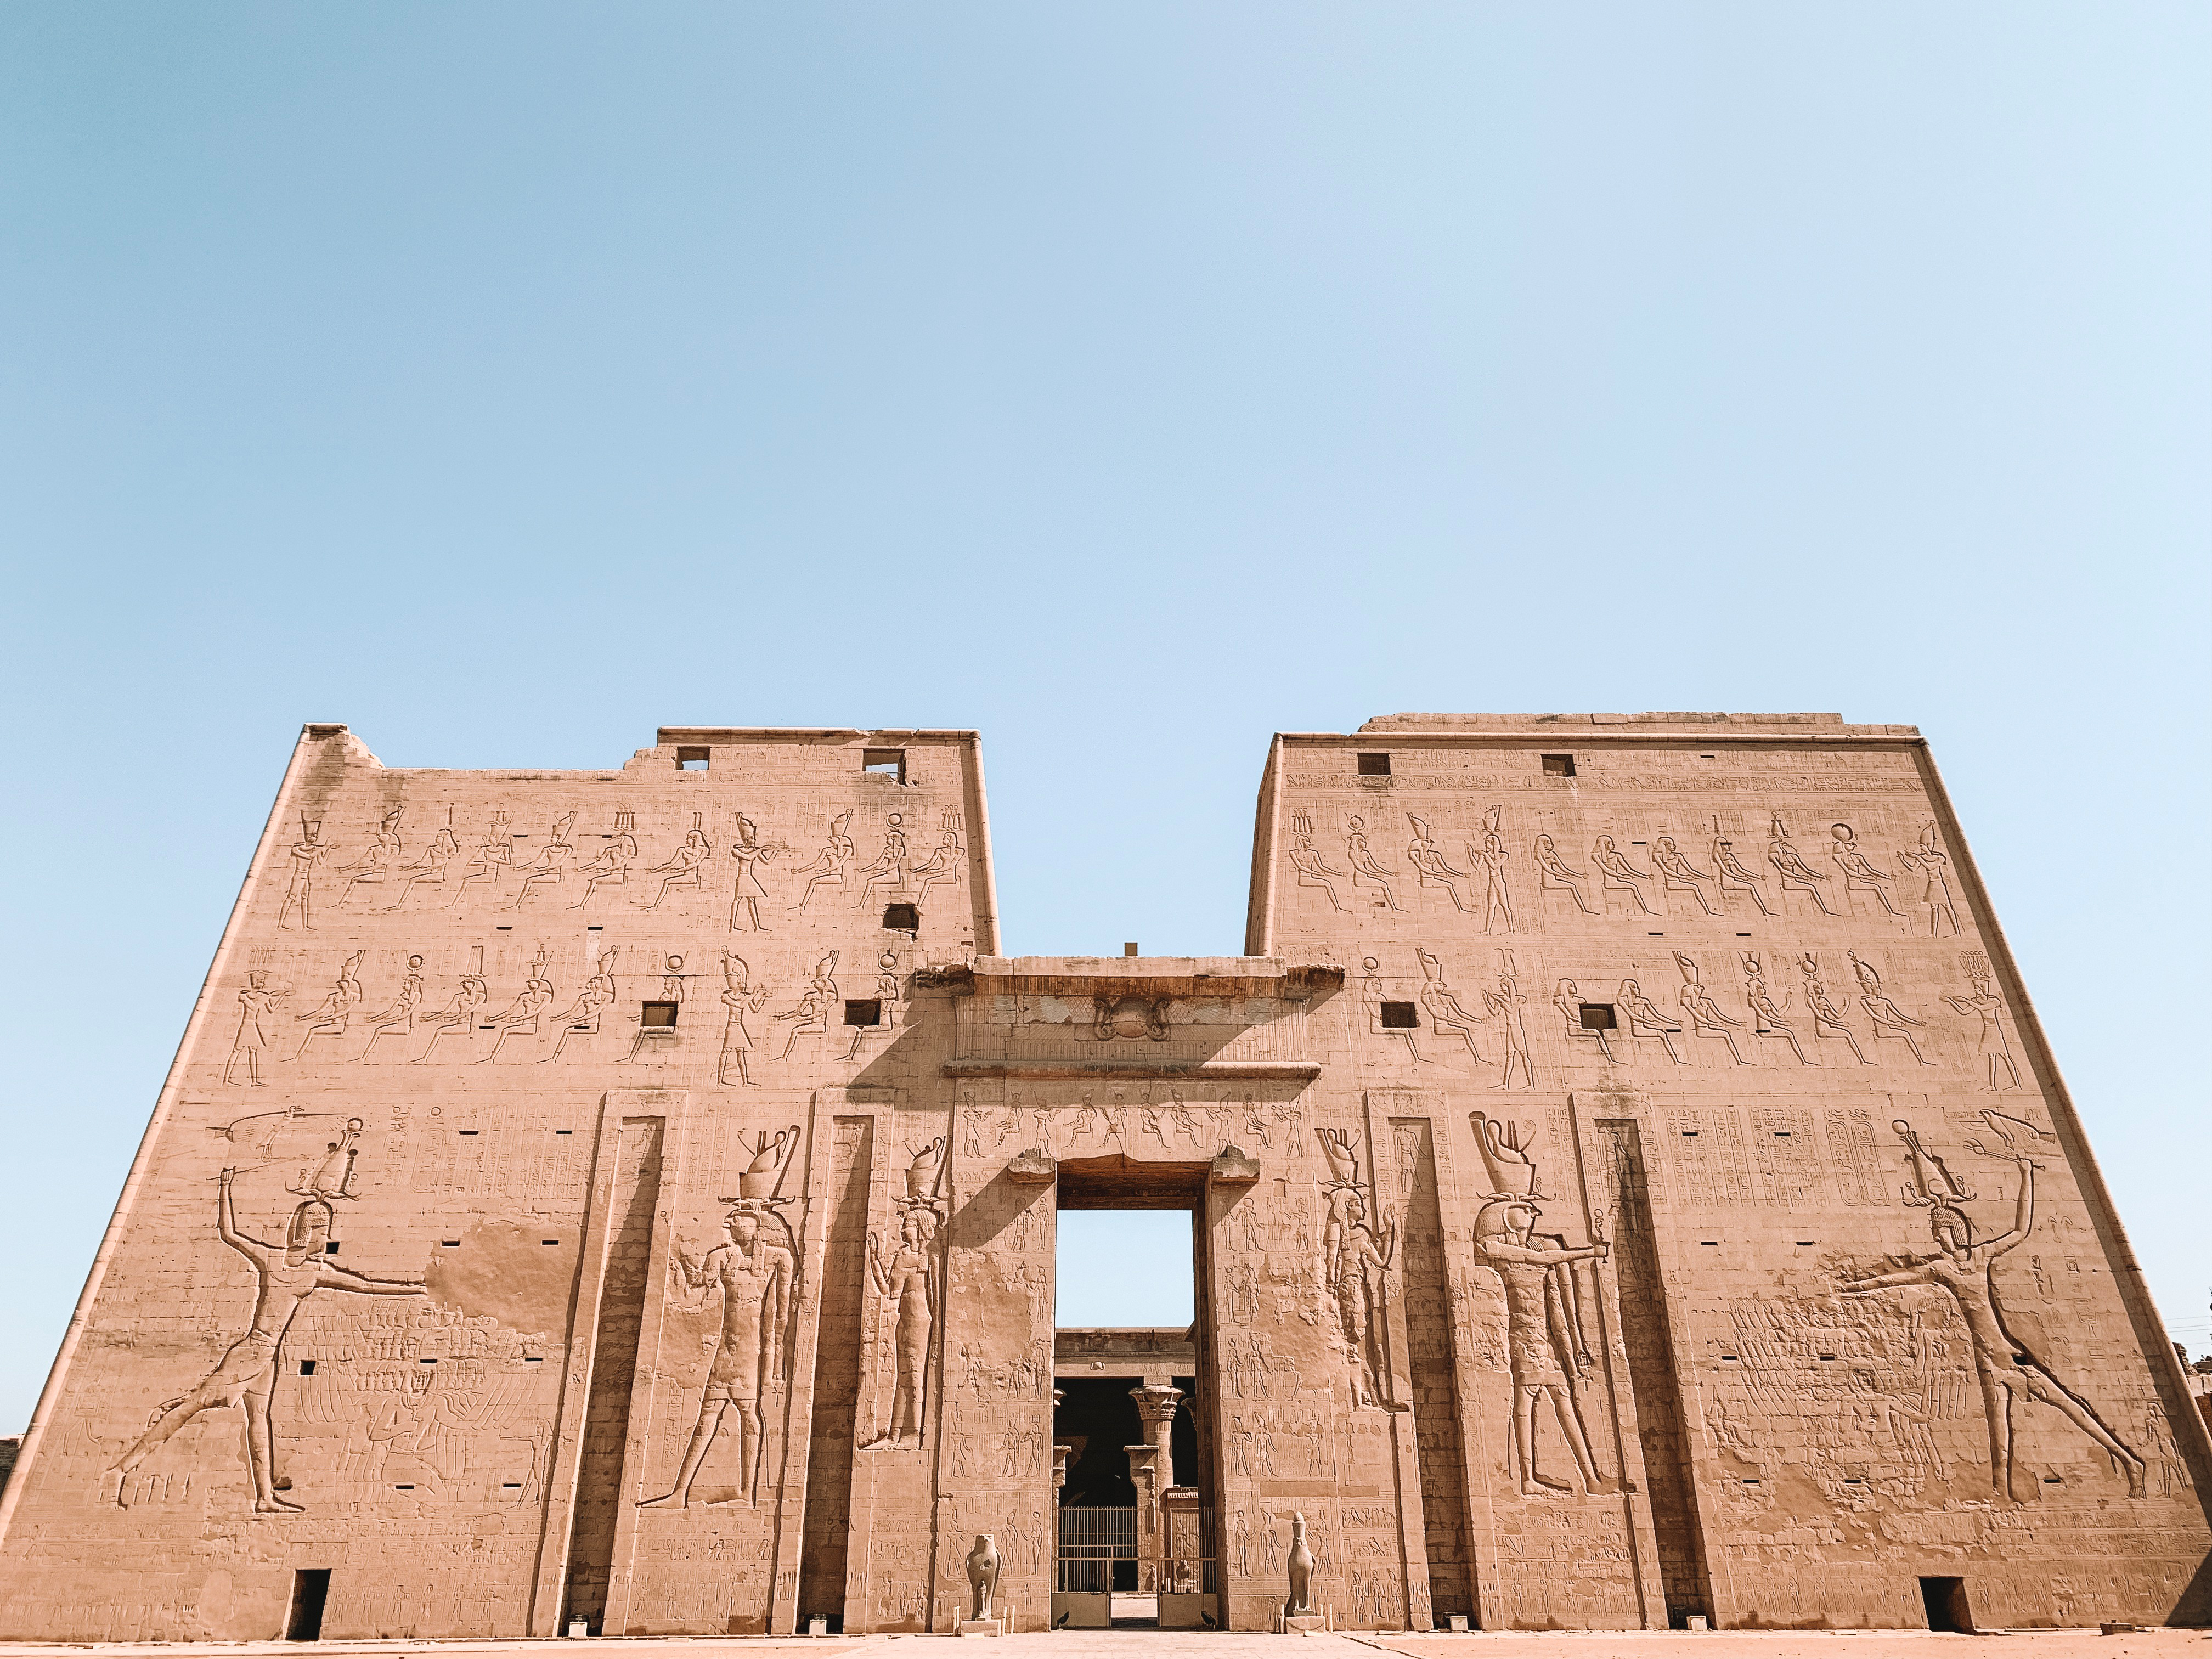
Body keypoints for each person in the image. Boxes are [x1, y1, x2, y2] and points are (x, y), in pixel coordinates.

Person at [111, 1172, 423, 1511]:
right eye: (322, 1231)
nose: (326, 1238)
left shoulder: (299, 1266)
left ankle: (264, 1498)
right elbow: (230, 1235)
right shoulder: (285, 1264)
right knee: (194, 1406)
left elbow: (364, 1286)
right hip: (250, 1352)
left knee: (259, 1422)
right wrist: (223, 1187)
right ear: (312, 1234)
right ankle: (122, 1467)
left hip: (267, 1356)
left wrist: (413, 1289)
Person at [1841, 1154, 2145, 1501]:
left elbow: (2020, 1230)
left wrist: (2026, 1174)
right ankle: (2002, 1492)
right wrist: (1853, 1288)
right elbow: (1900, 1279)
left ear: (1956, 1229)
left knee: (2073, 1409)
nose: (1938, 1237)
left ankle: (2129, 1461)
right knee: (1997, 1427)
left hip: (2010, 1356)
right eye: (1934, 1231)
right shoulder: (1944, 1269)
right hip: (1986, 1359)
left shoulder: (1981, 1257)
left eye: (1941, 1230)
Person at [640, 1206, 795, 1507]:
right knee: (707, 1418)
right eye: (733, 1220)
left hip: (752, 1351)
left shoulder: (778, 1259)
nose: (732, 1223)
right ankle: (679, 1493)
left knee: (748, 1415)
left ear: (756, 1226)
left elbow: (780, 1316)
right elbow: (693, 1294)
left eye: (740, 1220)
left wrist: (775, 1366)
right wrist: (677, 1273)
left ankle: (747, 1492)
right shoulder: (721, 1257)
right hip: (727, 1350)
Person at [1474, 1198, 1616, 1496]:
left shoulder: (1535, 1252)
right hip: (1522, 1341)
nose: (1531, 1216)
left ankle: (1591, 1478)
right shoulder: (1497, 1252)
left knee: (1561, 1401)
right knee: (1525, 1405)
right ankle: (1528, 1478)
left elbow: (1556, 1304)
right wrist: (1588, 1252)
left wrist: (1573, 1343)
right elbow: (1538, 1260)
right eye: (1525, 1211)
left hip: (1542, 1341)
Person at [862, 1206, 940, 1448]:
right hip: (906, 1320)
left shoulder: (926, 1257)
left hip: (919, 1320)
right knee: (903, 1377)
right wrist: (875, 1260)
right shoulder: (908, 1257)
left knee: (915, 1375)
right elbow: (889, 1292)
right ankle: (895, 1434)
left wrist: (875, 1260)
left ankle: (913, 1434)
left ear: (920, 1229)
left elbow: (934, 1296)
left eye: (907, 1225)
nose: (902, 1230)